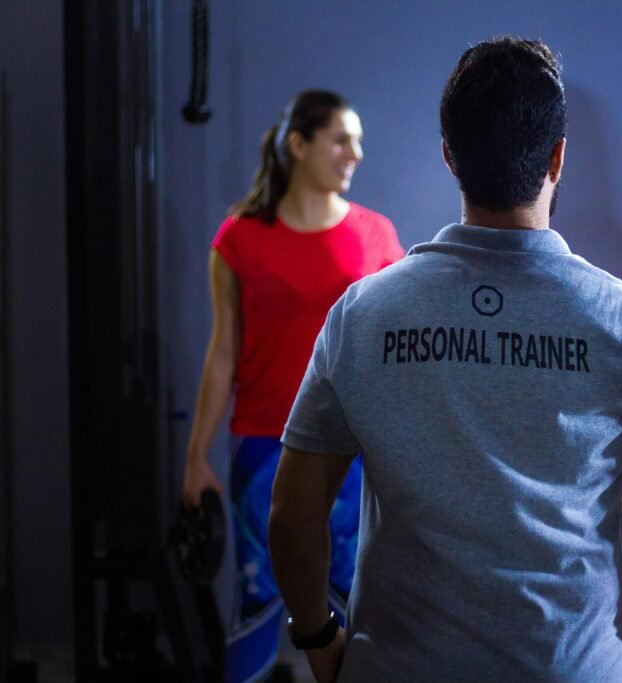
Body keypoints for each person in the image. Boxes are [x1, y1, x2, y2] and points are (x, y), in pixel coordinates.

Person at [268, 37, 622, 683]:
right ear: (558, 157)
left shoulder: (363, 315)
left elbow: (291, 516)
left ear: (450, 156)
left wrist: (317, 635)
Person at [181, 89, 404, 683]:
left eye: (357, 140)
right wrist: (196, 458)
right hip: (261, 444)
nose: (354, 152)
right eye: (340, 138)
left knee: (357, 602)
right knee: (256, 598)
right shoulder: (239, 239)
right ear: (299, 144)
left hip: (354, 448)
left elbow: (395, 356)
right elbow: (222, 351)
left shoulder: (377, 236)